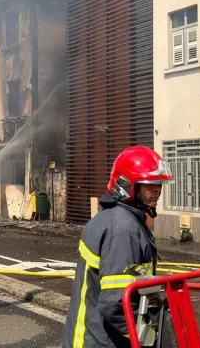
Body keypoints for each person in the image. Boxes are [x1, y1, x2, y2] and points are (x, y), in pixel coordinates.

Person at [62, 146, 175, 348]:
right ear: (127, 186)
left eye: (158, 184)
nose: (157, 190)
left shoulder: (113, 218)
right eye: (149, 185)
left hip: (92, 336)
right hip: (102, 342)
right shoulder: (123, 230)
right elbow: (116, 303)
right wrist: (148, 337)